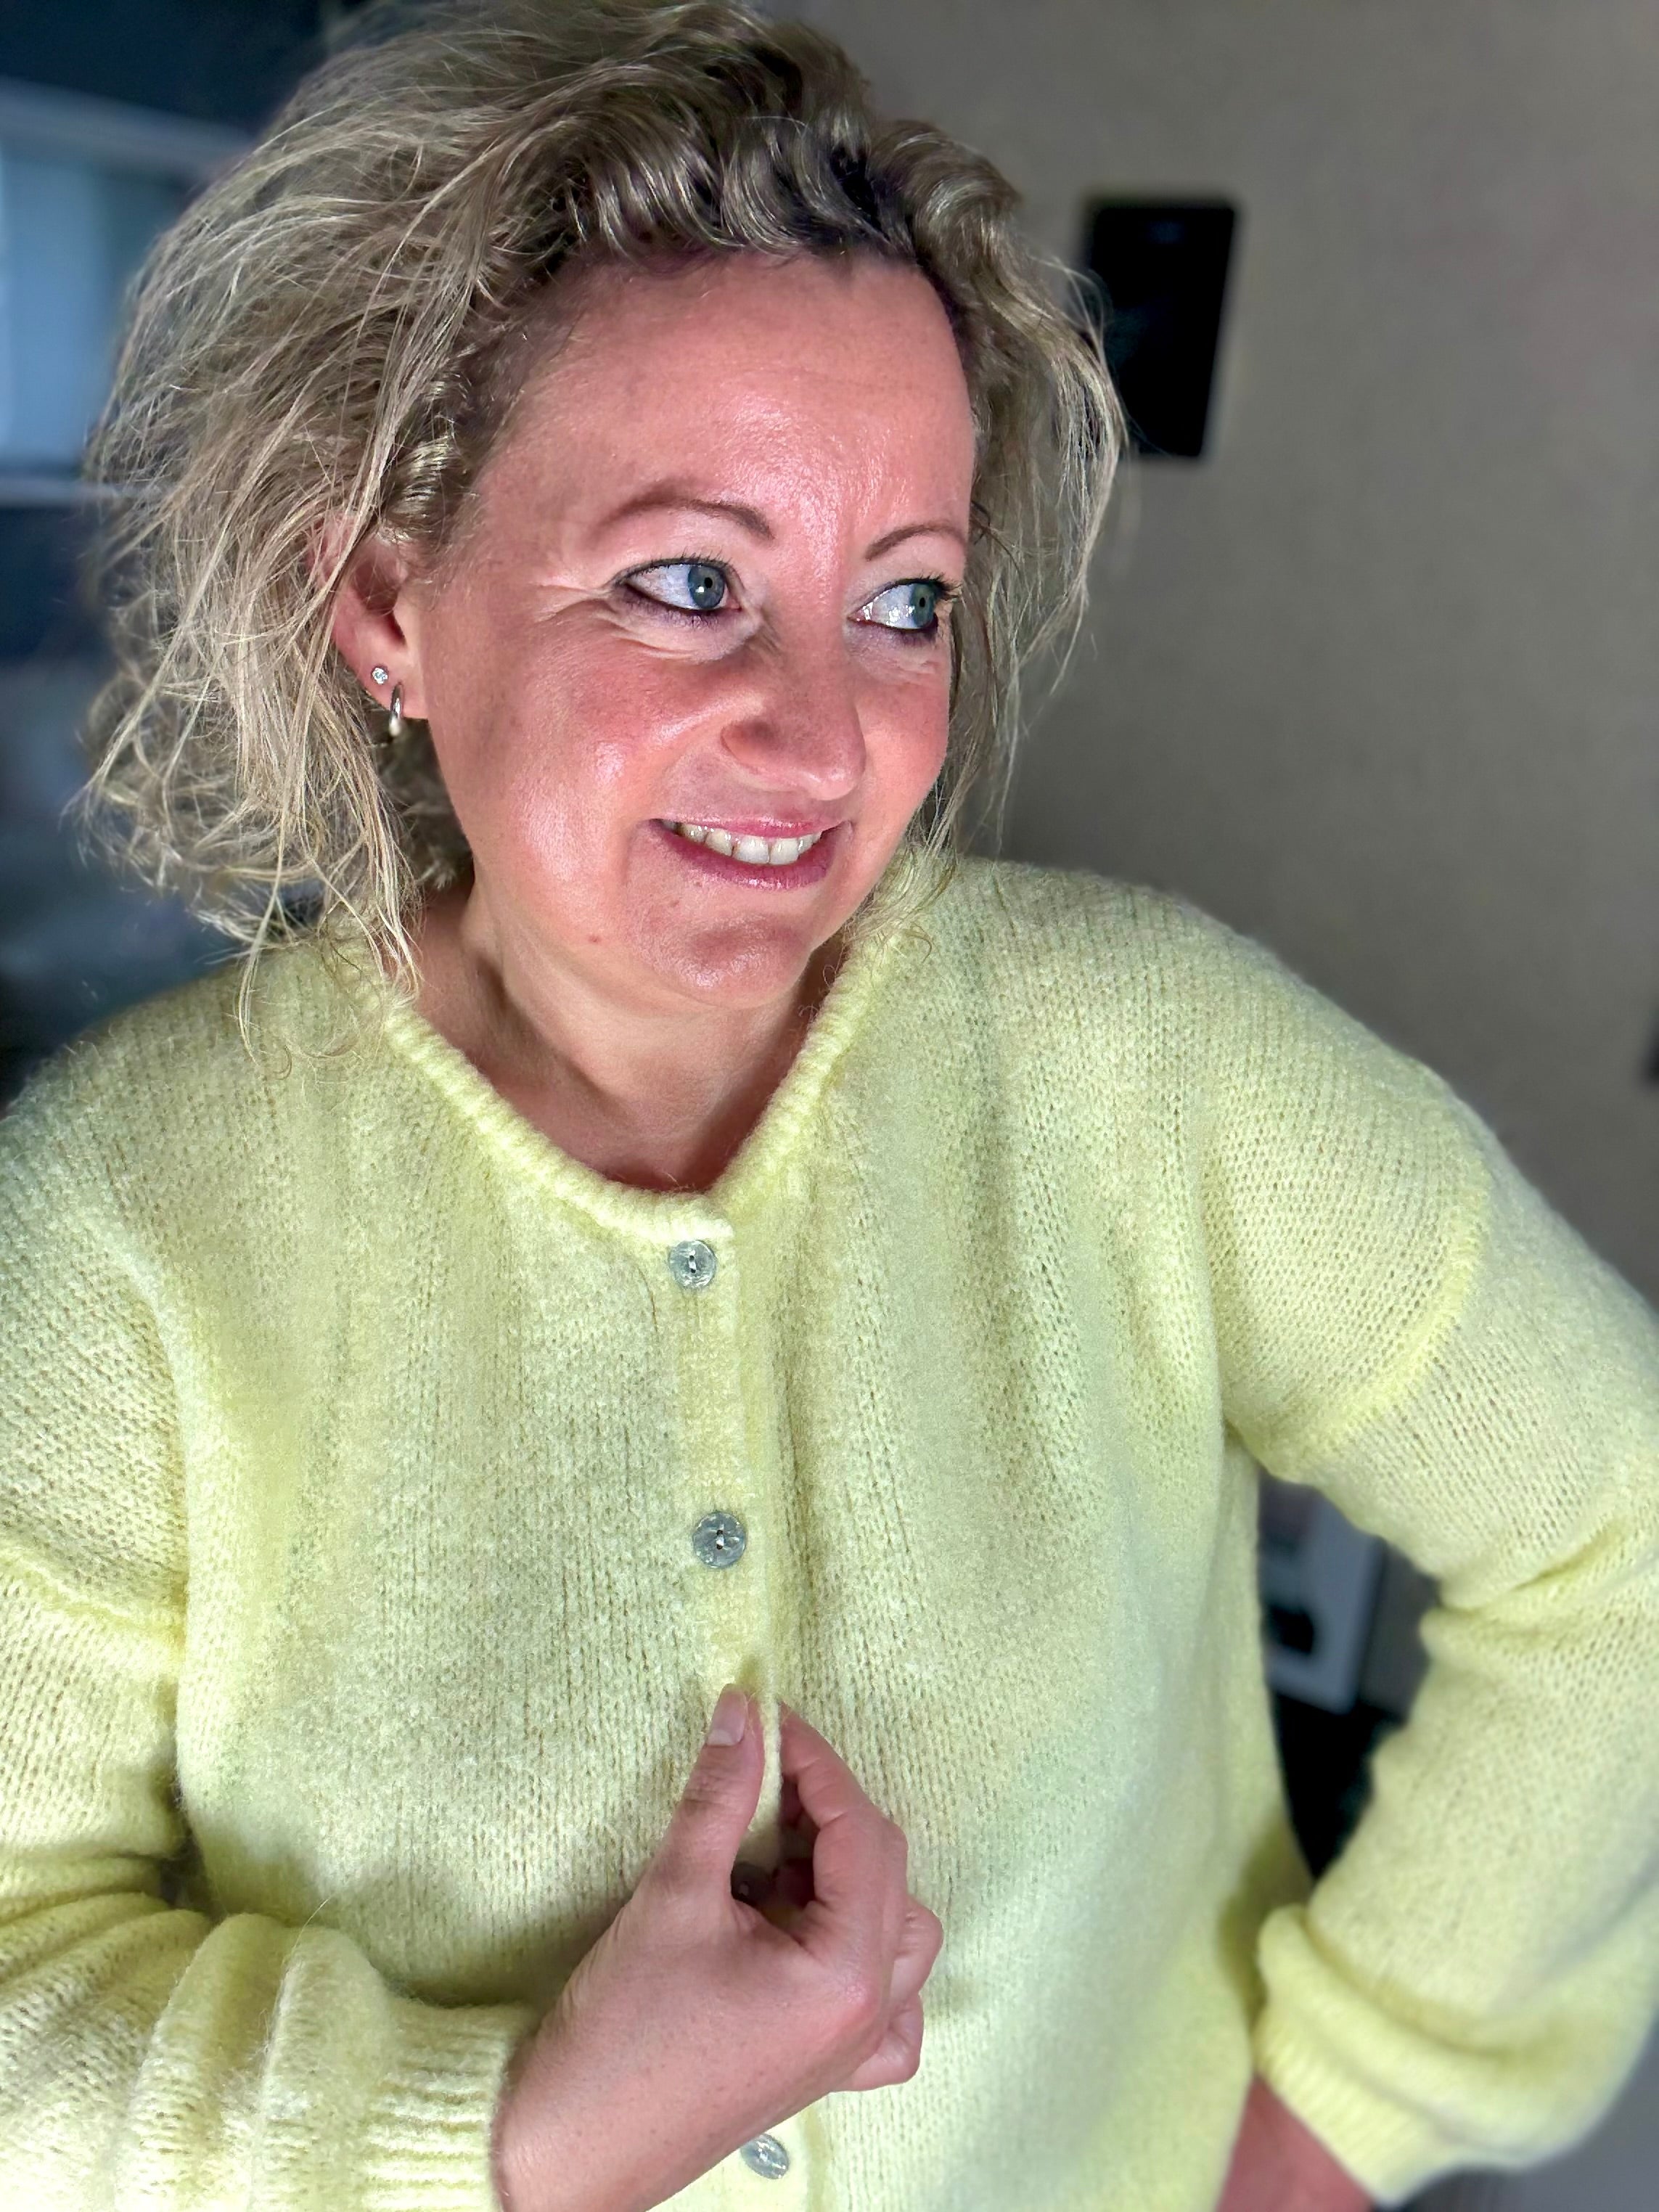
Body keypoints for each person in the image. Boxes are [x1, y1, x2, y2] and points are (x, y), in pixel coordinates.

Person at [1, 1, 1655, 2207]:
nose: (821, 738)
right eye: (690, 583)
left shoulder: (1151, 1070)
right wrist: (516, 2134)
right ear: (388, 600)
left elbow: (1613, 1531)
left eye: (903, 605)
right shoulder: (124, 1222)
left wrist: (1345, 2122)